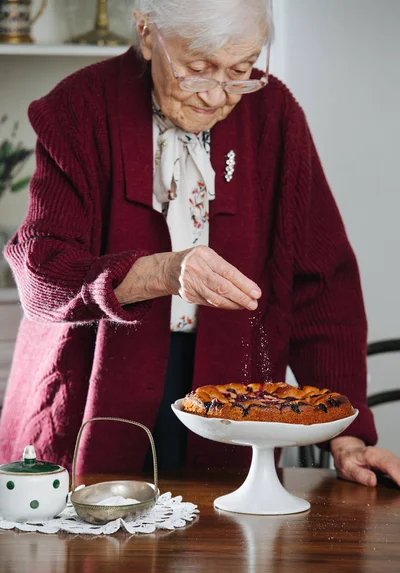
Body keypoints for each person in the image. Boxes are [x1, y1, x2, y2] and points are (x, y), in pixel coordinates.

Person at [0, 0, 399, 487]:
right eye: (197, 69)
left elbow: (322, 286)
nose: (217, 95)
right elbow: (41, 275)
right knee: (92, 554)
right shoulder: (78, 108)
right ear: (148, 35)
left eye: (240, 70)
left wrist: (347, 433)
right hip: (90, 387)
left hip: (232, 393)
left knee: (224, 549)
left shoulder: (275, 115)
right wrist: (160, 273)